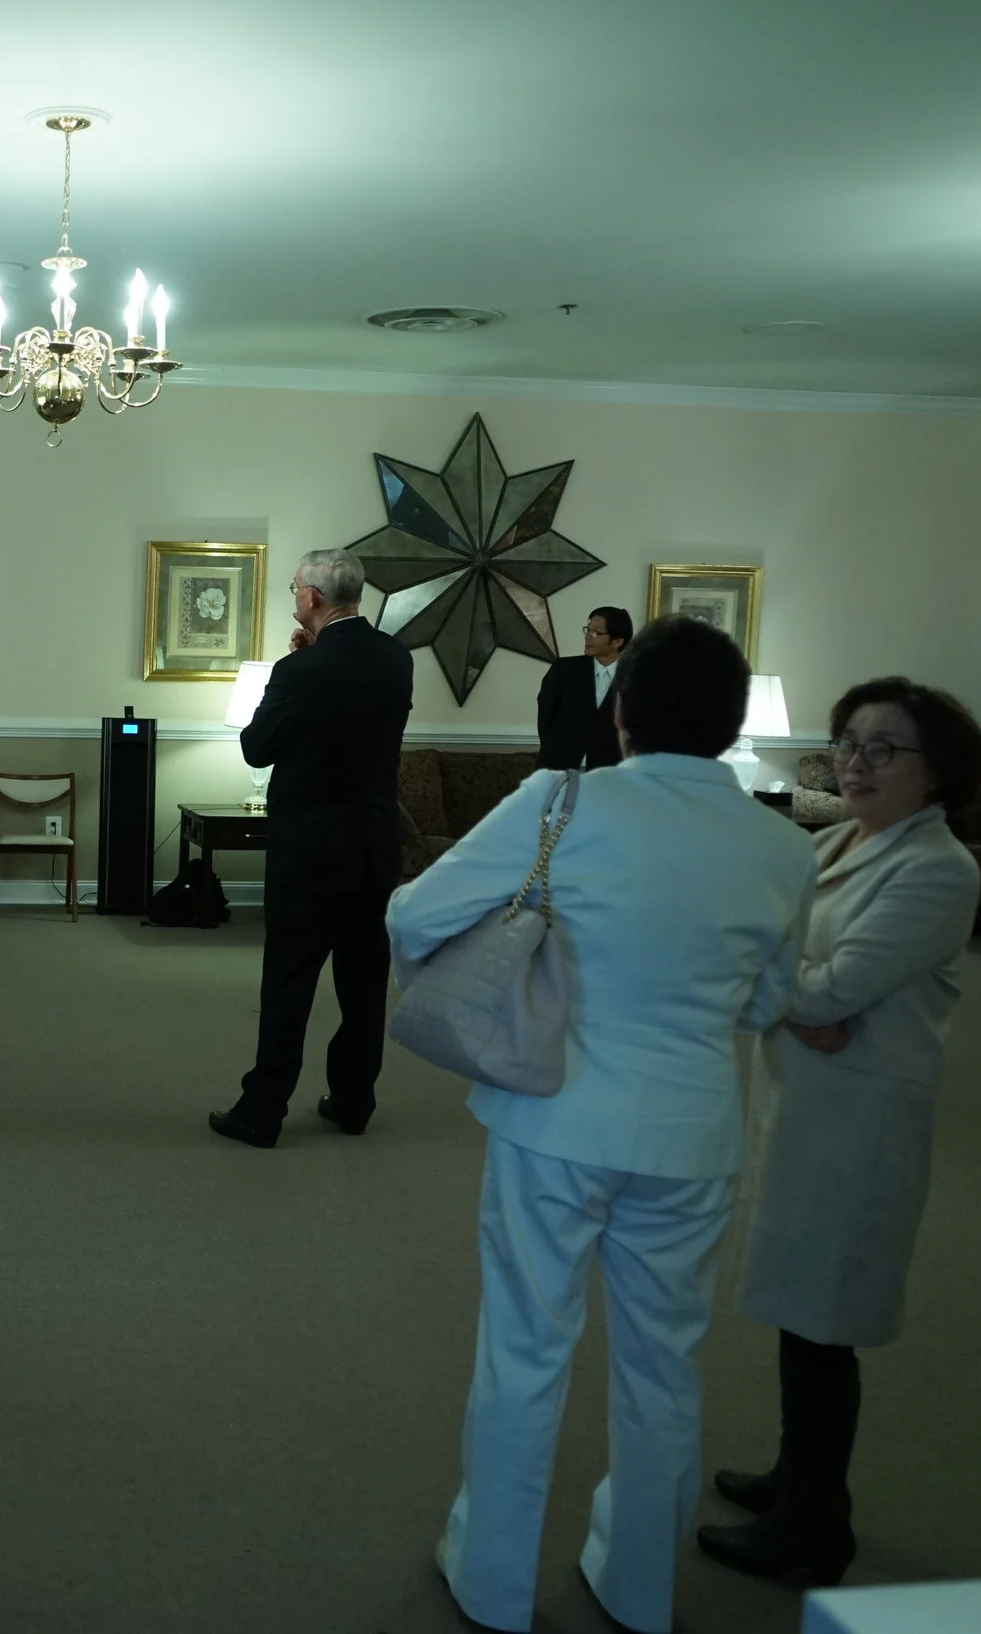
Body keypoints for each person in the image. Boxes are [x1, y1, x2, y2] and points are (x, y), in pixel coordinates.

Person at [389, 617, 814, 1634]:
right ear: (732, 723)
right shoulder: (785, 846)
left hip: (553, 1117)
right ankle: (638, 1586)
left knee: (525, 1348)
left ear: (621, 709)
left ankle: (491, 1582)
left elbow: (412, 914)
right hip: (693, 1135)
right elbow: (767, 1004)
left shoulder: (561, 800)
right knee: (665, 1366)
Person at [698, 679, 981, 1586]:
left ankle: (816, 1525)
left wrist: (799, 994)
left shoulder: (938, 868)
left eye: (882, 748)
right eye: (848, 743)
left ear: (937, 769)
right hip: (803, 1102)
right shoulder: (829, 842)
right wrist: (801, 996)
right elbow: (760, 954)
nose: (855, 763)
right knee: (801, 1310)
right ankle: (798, 1477)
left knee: (826, 1324)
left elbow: (825, 988)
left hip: (860, 1124)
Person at [207, 547, 412, 1148]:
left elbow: (256, 748)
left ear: (313, 597)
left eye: (295, 586)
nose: (294, 595)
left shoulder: (299, 670)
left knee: (289, 981)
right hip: (374, 846)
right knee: (364, 982)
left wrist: (297, 665)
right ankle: (353, 1102)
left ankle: (262, 1110)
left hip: (310, 852)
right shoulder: (396, 659)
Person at [536, 605, 632, 771]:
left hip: (610, 772)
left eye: (596, 632)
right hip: (558, 768)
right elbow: (545, 716)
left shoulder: (636, 678)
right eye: (588, 630)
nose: (588, 637)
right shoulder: (563, 669)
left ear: (617, 641)